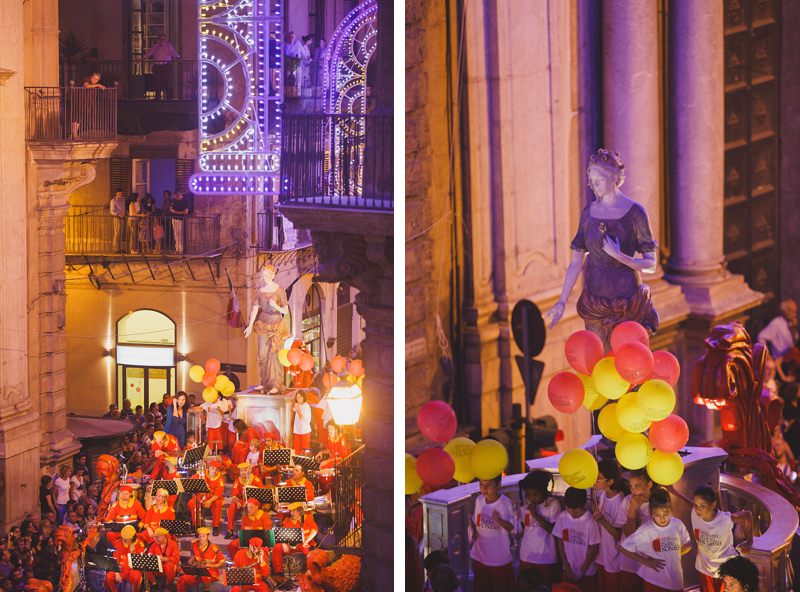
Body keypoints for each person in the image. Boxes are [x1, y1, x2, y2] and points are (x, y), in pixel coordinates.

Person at [546, 149, 659, 348]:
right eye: (591, 179)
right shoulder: (589, 214)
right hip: (595, 300)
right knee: (598, 360)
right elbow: (575, 263)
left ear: (614, 177)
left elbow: (651, 264)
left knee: (629, 359)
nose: (594, 184)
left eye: (599, 178)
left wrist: (621, 256)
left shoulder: (636, 213)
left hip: (628, 300)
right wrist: (562, 301)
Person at [619, 487, 692, 592]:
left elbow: (688, 543)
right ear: (651, 513)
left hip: (675, 579)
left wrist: (675, 553)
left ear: (671, 509)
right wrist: (646, 562)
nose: (662, 519)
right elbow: (623, 548)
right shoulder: (646, 529)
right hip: (653, 580)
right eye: (657, 515)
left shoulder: (678, 524)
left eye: (665, 514)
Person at [691, 486, 753, 592]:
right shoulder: (694, 514)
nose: (698, 509)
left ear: (713, 504)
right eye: (696, 505)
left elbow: (747, 515)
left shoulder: (725, 519)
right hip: (705, 569)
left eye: (702, 506)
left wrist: (749, 540)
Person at [244, 265, 290, 392]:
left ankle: (276, 384)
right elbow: (254, 309)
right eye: (263, 276)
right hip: (263, 323)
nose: (265, 278)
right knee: (262, 354)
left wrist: (275, 305)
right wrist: (250, 325)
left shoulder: (280, 290)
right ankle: (264, 382)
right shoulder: (260, 290)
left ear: (273, 275)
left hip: (276, 324)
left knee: (275, 354)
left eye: (267, 275)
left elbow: (285, 311)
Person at [469, 475, 515, 592]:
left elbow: (511, 527)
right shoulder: (479, 500)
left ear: (498, 485)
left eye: (488, 485)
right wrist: (474, 532)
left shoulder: (504, 503)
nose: (484, 489)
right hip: (479, 555)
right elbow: (476, 521)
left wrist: (499, 520)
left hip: (499, 558)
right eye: (481, 485)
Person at [518, 470, 561, 585]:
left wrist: (536, 515)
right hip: (526, 556)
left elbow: (554, 530)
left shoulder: (553, 504)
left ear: (544, 490)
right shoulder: (524, 506)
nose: (531, 498)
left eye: (535, 494)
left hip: (545, 558)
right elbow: (525, 528)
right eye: (528, 494)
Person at [592, 460, 630, 592]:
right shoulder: (603, 495)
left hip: (613, 558)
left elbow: (619, 534)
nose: (595, 481)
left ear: (610, 481)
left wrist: (602, 521)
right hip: (602, 555)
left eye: (599, 478)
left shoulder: (620, 501)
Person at [553, 487, 601, 591]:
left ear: (584, 505)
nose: (573, 513)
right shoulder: (563, 517)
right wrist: (567, 566)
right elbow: (560, 544)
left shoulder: (590, 521)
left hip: (587, 572)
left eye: (577, 511)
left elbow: (593, 548)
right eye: (570, 510)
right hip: (568, 569)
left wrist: (581, 571)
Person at [620, 468, 654, 591]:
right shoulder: (627, 501)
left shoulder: (657, 503)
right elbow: (629, 535)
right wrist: (632, 509)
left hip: (650, 562)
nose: (633, 490)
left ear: (649, 485)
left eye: (637, 486)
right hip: (629, 562)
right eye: (631, 486)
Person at [271, 501, 318, 576]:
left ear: (299, 511)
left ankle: (310, 572)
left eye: (294, 511)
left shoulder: (307, 518)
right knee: (277, 547)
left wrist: (306, 541)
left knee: (309, 552)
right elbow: (282, 535)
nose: (291, 513)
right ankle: (278, 573)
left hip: (304, 545)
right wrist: (284, 543)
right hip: (290, 546)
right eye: (291, 511)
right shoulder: (286, 521)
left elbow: (315, 530)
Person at [758, 299, 799, 382]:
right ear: (785, 312)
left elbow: (795, 340)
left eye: (795, 311)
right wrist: (767, 354)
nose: (795, 314)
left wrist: (794, 327)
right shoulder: (776, 324)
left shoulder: (791, 323)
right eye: (792, 312)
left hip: (792, 356)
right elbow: (761, 337)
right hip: (782, 360)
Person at [176, 527, 225, 591]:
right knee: (182, 579)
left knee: (205, 578)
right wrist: (191, 560)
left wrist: (210, 565)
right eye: (200, 536)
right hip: (196, 572)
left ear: (207, 536)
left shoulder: (214, 548)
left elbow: (222, 562)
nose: (201, 538)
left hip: (210, 573)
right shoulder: (194, 544)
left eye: (203, 536)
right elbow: (192, 556)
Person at [187, 460, 225, 536]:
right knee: (191, 503)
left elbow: (218, 494)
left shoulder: (220, 478)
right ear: (209, 467)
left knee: (217, 503)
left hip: (212, 499)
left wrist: (209, 501)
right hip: (200, 498)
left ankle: (215, 527)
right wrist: (199, 499)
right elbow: (190, 481)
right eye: (213, 468)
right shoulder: (202, 474)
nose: (215, 471)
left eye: (217, 469)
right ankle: (196, 525)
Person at [226, 463, 264, 539]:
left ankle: (246, 533)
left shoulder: (256, 480)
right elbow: (234, 494)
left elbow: (262, 494)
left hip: (253, 502)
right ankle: (230, 530)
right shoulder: (237, 480)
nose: (242, 473)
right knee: (231, 507)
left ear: (249, 470)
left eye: (244, 470)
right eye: (241, 471)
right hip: (241, 501)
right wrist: (237, 502)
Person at [105, 525, 144, 592]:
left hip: (132, 569)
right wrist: (117, 573)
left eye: (127, 538)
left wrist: (132, 554)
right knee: (108, 577)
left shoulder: (140, 544)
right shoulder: (117, 544)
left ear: (133, 537)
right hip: (120, 568)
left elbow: (138, 563)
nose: (124, 540)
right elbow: (115, 560)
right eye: (124, 538)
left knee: (137, 577)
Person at [144, 35, 180, 100]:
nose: (162, 40)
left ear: (165, 39)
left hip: (166, 66)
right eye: (161, 39)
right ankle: (157, 98)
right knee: (158, 82)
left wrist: (178, 58)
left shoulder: (168, 46)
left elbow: (174, 53)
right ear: (159, 39)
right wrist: (143, 57)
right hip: (157, 66)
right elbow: (149, 52)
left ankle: (169, 98)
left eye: (163, 39)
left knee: (167, 81)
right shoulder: (155, 46)